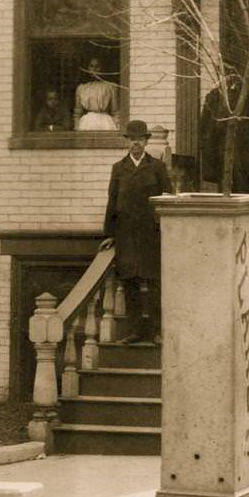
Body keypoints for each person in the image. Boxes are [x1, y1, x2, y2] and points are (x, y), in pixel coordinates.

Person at [103, 120, 173, 344]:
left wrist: (165, 229)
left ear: (146, 141)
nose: (136, 143)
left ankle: (156, 331)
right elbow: (112, 202)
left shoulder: (157, 167)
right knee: (130, 281)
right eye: (132, 139)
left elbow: (167, 200)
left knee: (153, 282)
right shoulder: (118, 168)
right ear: (127, 142)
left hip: (150, 234)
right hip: (126, 234)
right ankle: (135, 331)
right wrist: (110, 234)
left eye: (140, 139)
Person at [75, 54, 117, 130]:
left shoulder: (110, 87)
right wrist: (77, 126)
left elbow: (115, 110)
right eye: (91, 66)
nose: (94, 69)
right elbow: (78, 111)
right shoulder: (82, 88)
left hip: (105, 122)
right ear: (87, 68)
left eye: (97, 66)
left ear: (102, 67)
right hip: (87, 122)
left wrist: (118, 125)